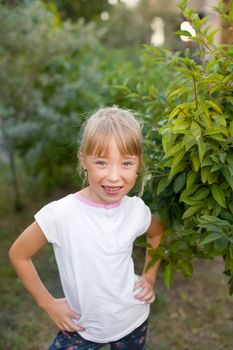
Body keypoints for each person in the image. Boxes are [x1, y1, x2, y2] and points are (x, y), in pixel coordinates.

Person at [9, 106, 164, 350]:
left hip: (132, 319)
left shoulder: (136, 209)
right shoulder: (61, 214)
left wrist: (150, 276)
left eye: (126, 163)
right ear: (84, 161)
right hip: (81, 326)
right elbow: (18, 254)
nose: (114, 177)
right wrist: (47, 303)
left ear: (138, 165)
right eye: (101, 162)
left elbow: (157, 231)